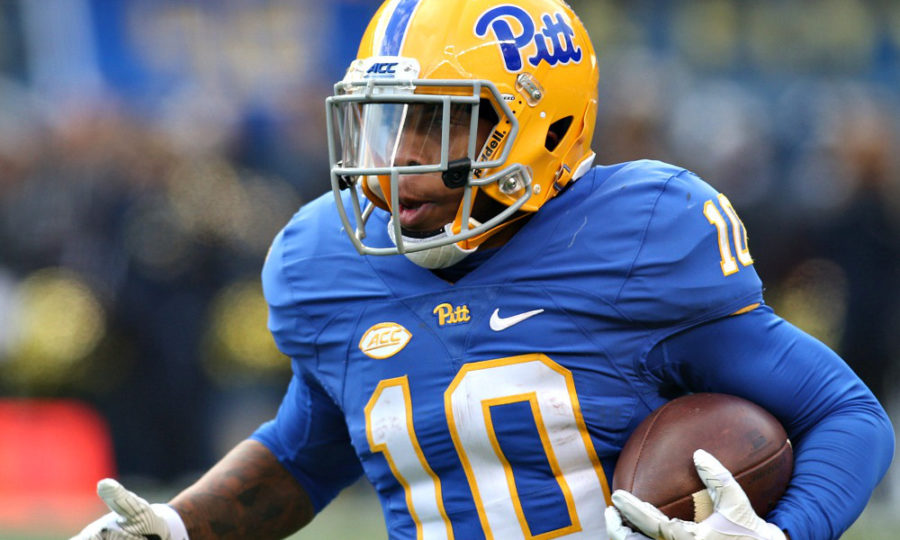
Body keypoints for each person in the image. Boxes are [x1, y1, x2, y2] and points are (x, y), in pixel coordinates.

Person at [72, 0, 894, 539]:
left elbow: (846, 415)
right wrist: (182, 526)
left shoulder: (642, 234)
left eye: (435, 126)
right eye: (385, 124)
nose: (397, 161)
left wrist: (786, 532)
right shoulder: (328, 258)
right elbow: (310, 446)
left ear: (536, 128)